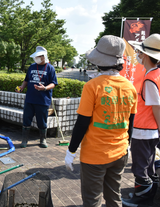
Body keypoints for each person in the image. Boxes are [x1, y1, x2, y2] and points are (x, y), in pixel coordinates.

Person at [64, 35, 138, 207]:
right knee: (114, 197)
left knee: (92, 201)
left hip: (94, 155)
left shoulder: (92, 86)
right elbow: (131, 121)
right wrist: (128, 144)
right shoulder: (130, 87)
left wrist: (71, 150)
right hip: (120, 152)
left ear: (99, 61)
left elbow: (82, 123)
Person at [122, 34, 160, 206]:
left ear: (145, 55)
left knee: (140, 166)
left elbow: (156, 107)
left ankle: (143, 198)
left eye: (139, 51)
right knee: (148, 164)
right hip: (150, 130)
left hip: (144, 130)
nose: (137, 53)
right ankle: (149, 193)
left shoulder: (150, 78)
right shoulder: (156, 74)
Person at [16, 46, 58, 148]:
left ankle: (42, 140)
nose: (36, 58)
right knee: (26, 120)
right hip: (30, 99)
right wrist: (22, 87)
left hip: (43, 100)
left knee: (42, 121)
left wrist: (44, 88)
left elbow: (54, 83)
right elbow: (26, 80)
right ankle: (24, 140)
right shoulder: (32, 67)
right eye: (36, 57)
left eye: (38, 56)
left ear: (44, 57)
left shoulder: (50, 68)